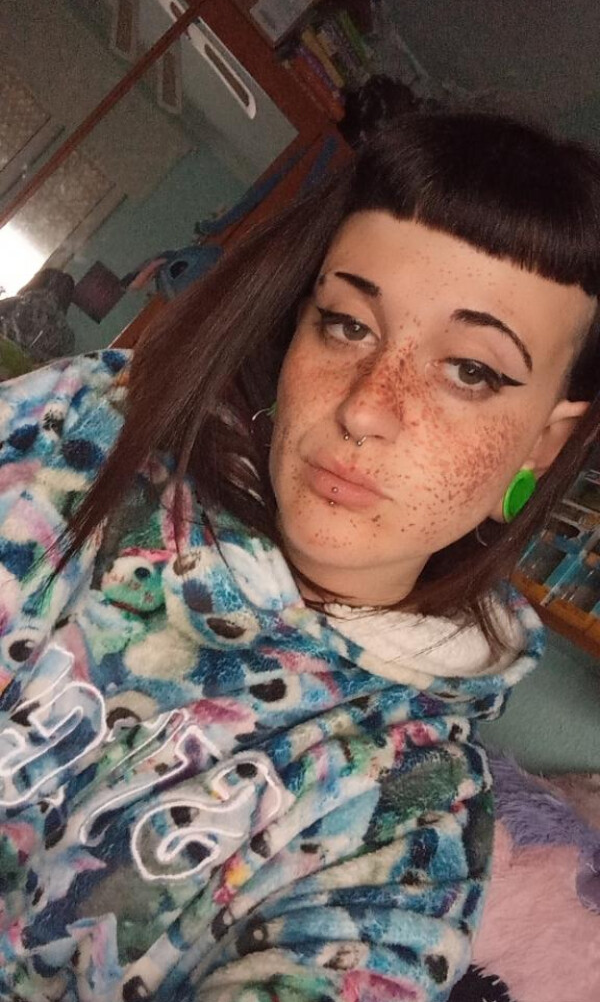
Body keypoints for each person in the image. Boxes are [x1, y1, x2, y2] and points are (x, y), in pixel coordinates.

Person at [0, 110, 599, 1002]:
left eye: (470, 370)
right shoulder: (79, 436)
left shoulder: (408, 821)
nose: (366, 406)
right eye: (349, 324)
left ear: (544, 444)